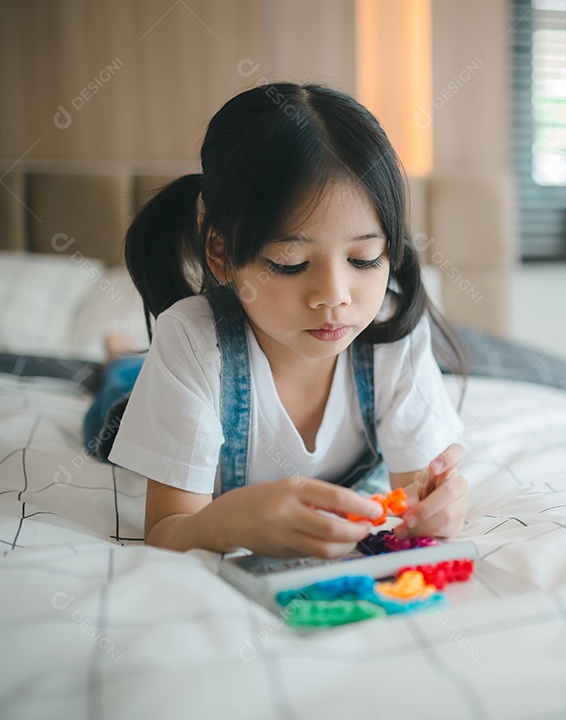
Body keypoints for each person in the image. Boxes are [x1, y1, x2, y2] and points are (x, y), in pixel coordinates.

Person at [84, 83, 468, 559]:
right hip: (155, 387)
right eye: (289, 263)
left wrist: (439, 507)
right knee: (121, 393)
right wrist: (229, 522)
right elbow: (165, 529)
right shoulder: (192, 338)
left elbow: (415, 492)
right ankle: (121, 359)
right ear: (221, 252)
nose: (334, 297)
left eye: (365, 258)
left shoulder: (390, 331)